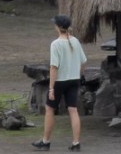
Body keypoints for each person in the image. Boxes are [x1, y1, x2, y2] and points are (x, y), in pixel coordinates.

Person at [32, 14, 87, 151]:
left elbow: (53, 67)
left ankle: (46, 141)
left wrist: (51, 88)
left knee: (50, 109)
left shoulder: (55, 44)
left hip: (60, 82)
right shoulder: (75, 41)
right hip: (74, 80)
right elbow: (83, 61)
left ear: (57, 27)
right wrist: (80, 74)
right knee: (73, 110)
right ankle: (76, 143)